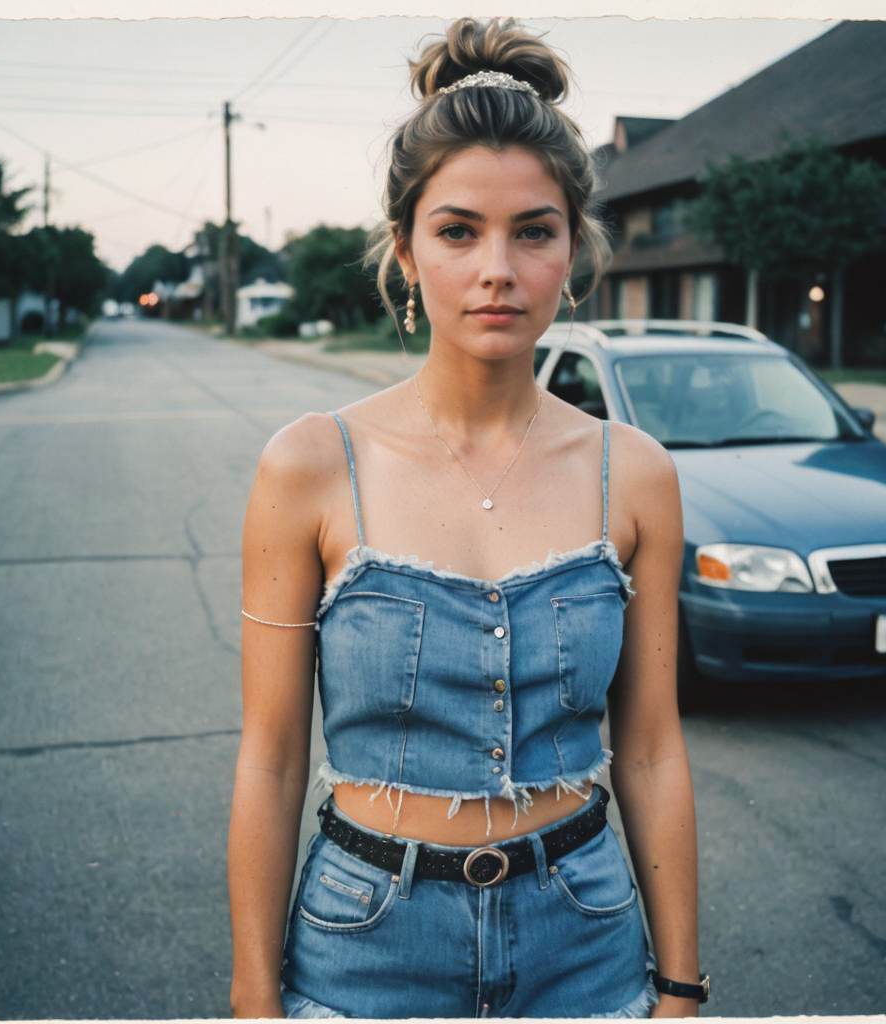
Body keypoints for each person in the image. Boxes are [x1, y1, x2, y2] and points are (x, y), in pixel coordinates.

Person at [228, 17, 704, 1019]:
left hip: (586, 937)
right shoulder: (311, 466)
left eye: (533, 230)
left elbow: (653, 747)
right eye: (457, 230)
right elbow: (270, 758)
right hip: (364, 946)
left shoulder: (636, 474)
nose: (498, 267)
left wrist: (680, 985)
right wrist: (253, 997)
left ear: (571, 250)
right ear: (405, 249)